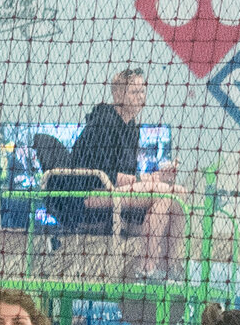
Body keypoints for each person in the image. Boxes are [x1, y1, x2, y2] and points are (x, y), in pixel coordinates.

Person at [66, 66, 183, 278]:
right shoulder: (104, 122)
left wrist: (157, 176)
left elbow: (128, 175)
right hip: (88, 194)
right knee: (165, 194)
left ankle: (167, 267)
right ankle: (146, 268)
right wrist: (149, 180)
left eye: (142, 92)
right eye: (134, 92)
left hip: (114, 191)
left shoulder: (131, 127)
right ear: (118, 94)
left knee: (178, 194)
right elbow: (108, 174)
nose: (141, 98)